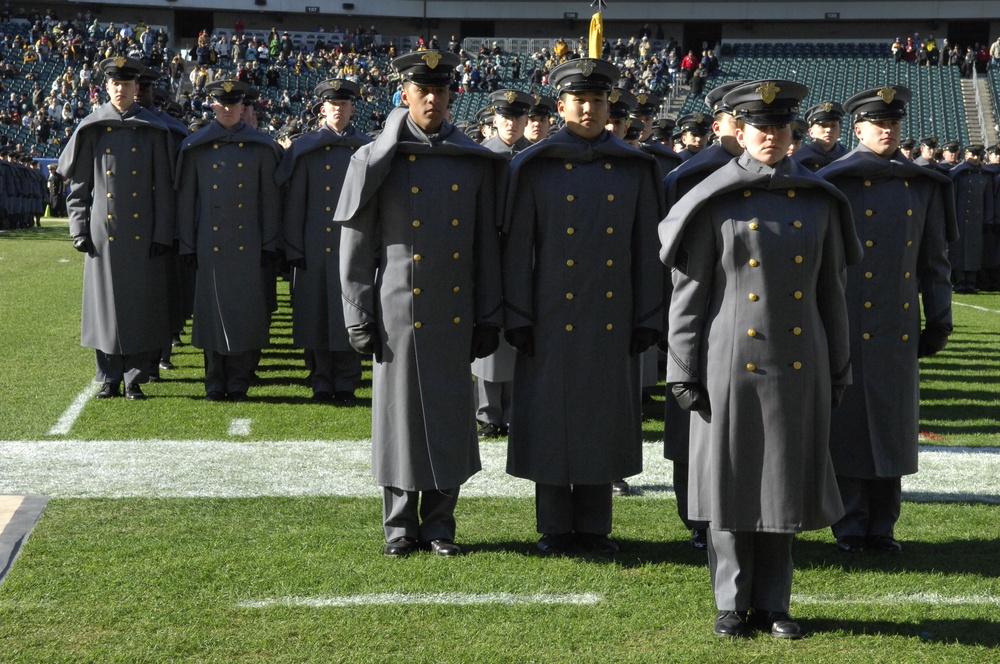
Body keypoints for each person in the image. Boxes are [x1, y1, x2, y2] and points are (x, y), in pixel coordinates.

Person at [660, 79, 861, 639]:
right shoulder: (714, 199)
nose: (769, 136)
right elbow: (690, 294)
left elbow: (831, 295)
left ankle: (774, 602)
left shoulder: (820, 201)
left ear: (792, 132)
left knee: (783, 481)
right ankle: (731, 601)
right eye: (759, 127)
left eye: (779, 127)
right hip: (729, 362)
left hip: (801, 359)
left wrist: (840, 365)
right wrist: (682, 367)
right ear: (740, 130)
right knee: (730, 482)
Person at [335, 51, 505, 558]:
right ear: (403, 94)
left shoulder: (472, 160)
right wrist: (357, 311)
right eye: (421, 89)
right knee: (398, 418)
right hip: (397, 316)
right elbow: (356, 243)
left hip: (454, 314)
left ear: (452, 94)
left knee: (451, 416)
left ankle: (441, 526)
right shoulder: (375, 158)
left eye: (440, 89)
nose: (431, 98)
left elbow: (485, 247)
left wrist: (488, 314)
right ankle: (398, 527)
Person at [503, 56, 664, 556]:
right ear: (561, 105)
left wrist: (648, 315)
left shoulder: (636, 167)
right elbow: (517, 249)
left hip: (610, 317)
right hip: (549, 315)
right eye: (579, 101)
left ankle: (594, 527)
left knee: (600, 420)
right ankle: (553, 526)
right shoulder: (534, 165)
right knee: (550, 421)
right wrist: (518, 313)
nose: (589, 109)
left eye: (597, 101)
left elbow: (648, 249)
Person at [818, 86, 957, 554]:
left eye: (894, 123)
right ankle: (850, 524)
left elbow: (934, 260)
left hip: (896, 328)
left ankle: (884, 525)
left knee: (894, 427)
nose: (887, 129)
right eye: (878, 123)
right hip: (845, 322)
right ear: (857, 129)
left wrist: (939, 318)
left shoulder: (922, 184)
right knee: (850, 425)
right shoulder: (833, 180)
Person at [56, 56, 175, 401]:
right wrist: (78, 229)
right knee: (104, 308)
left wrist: (162, 234)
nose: (121, 89)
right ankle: (108, 376)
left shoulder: (153, 129)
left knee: (139, 307)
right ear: (107, 87)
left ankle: (134, 378)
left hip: (144, 231)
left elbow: (164, 189)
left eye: (127, 84)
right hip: (102, 233)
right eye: (115, 84)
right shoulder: (93, 127)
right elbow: (79, 187)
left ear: (137, 88)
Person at [175, 80, 283, 401]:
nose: (227, 109)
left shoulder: (262, 148)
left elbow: (270, 202)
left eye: (233, 104)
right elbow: (187, 202)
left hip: (248, 246)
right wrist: (187, 245)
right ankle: (213, 380)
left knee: (243, 314)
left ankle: (238, 380)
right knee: (210, 315)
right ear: (212, 105)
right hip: (209, 245)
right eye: (221, 104)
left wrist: (269, 244)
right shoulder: (196, 147)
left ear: (242, 107)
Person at [277, 79, 372, 403]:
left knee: (351, 313)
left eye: (344, 105)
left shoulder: (366, 148)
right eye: (333, 105)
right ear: (323, 109)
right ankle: (319, 379)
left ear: (352, 109)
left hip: (353, 246)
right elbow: (295, 205)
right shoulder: (307, 149)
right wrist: (293, 249)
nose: (338, 110)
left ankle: (346, 380)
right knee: (314, 317)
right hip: (313, 246)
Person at [472, 88, 533, 438]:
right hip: (489, 252)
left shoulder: (538, 157)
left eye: (518, 117)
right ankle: (486, 413)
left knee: (519, 329)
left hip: (525, 255)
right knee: (488, 324)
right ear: (494, 120)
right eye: (505, 117)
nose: (511, 123)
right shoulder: (480, 158)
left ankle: (512, 410)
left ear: (527, 120)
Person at [948, 144, 994, 294]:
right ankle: (960, 282)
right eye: (973, 155)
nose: (975, 158)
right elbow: (952, 198)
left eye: (978, 155)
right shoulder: (958, 173)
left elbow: (988, 200)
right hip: (960, 219)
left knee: (974, 253)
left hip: (977, 220)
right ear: (966, 155)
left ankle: (971, 282)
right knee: (959, 252)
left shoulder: (984, 174)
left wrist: (988, 219)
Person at [792, 101, 848, 171]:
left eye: (833, 126)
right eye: (823, 125)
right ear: (811, 132)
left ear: (839, 132)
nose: (829, 130)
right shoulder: (797, 159)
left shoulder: (849, 158)